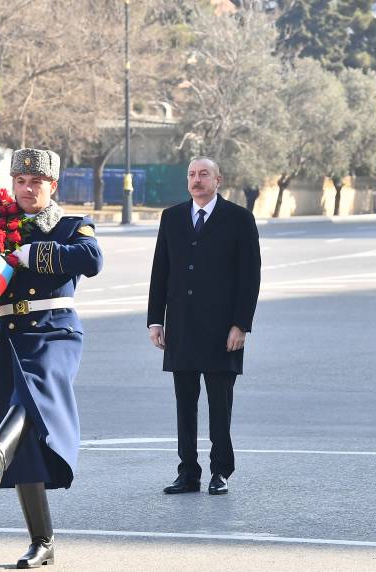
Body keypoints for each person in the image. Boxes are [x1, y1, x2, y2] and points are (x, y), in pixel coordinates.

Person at [0, 148, 102, 569]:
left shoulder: (69, 225)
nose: (28, 190)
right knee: (27, 443)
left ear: (53, 186)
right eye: (21, 182)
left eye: (37, 183)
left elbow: (91, 259)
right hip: (10, 333)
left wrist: (39, 254)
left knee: (34, 392)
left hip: (54, 330)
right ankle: (41, 542)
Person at [147, 156, 260, 496]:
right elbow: (160, 270)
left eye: (204, 174)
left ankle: (220, 471)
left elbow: (249, 277)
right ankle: (188, 471)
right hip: (181, 326)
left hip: (222, 330)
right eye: (192, 175)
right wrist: (155, 319)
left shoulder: (239, 219)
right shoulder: (172, 218)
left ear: (218, 180)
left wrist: (241, 325)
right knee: (185, 404)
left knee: (219, 404)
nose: (196, 180)